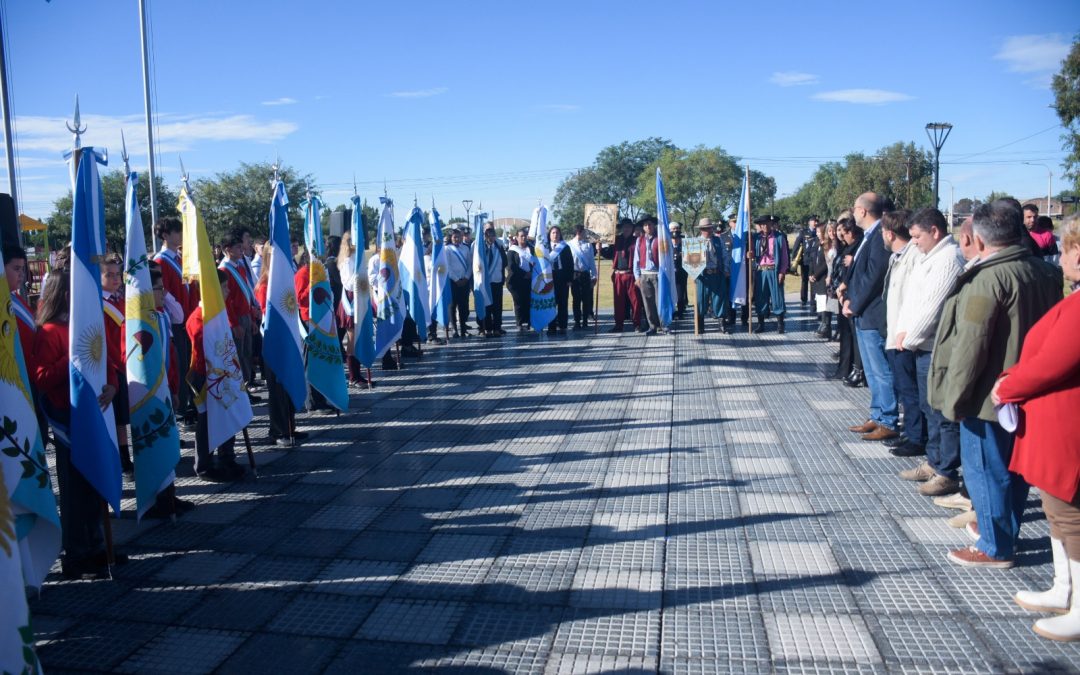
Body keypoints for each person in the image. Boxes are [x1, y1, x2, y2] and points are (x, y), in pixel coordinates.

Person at [930, 200, 1063, 569]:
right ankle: (1003, 531)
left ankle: (994, 545)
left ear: (979, 239)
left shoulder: (987, 278)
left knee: (986, 470)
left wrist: (953, 398)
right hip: (1028, 389)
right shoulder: (1044, 272)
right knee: (1016, 471)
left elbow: (970, 346)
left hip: (988, 394)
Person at [995, 214, 1080, 640]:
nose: (1060, 257)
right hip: (1052, 424)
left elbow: (1055, 363)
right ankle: (1063, 588)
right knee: (1055, 510)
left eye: (1066, 249)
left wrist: (1009, 384)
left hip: (1069, 427)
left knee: (1072, 515)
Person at [33, 268, 120, 579]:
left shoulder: (86, 326)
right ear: (66, 294)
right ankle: (76, 554)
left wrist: (112, 385)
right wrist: (69, 359)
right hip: (69, 420)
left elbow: (106, 361)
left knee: (95, 482)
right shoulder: (49, 332)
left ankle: (99, 545)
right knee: (74, 491)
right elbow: (42, 378)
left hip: (95, 415)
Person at [892, 208, 964, 495]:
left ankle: (946, 470)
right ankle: (934, 462)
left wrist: (909, 337)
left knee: (941, 412)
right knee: (928, 406)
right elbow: (914, 300)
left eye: (917, 236)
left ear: (935, 231)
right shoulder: (928, 257)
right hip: (921, 345)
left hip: (935, 346)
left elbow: (933, 306)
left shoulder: (948, 259)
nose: (914, 242)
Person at [845, 193, 897, 440]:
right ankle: (877, 415)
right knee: (871, 369)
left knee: (880, 371)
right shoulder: (869, 236)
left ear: (863, 211)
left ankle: (888, 419)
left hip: (872, 313)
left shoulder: (878, 236)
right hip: (862, 313)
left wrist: (854, 304)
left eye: (855, 208)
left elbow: (874, 277)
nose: (853, 213)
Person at [187, 269, 247, 481]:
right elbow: (203, 346)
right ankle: (204, 464)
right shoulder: (198, 317)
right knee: (206, 422)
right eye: (224, 287)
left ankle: (227, 457)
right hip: (205, 376)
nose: (228, 290)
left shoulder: (220, 315)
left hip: (224, 373)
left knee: (227, 412)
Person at [880, 210, 924, 457]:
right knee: (903, 387)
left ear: (889, 233)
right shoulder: (898, 256)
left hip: (905, 334)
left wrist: (906, 331)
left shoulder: (914, 256)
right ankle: (911, 432)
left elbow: (913, 297)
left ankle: (916, 437)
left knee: (910, 389)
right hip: (895, 331)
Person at [154, 217, 197, 429]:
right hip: (176, 322)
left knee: (189, 361)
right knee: (178, 364)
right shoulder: (160, 261)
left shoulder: (180, 258)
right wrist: (179, 313)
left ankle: (189, 402)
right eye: (176, 232)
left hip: (188, 319)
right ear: (165, 235)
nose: (180, 236)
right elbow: (166, 292)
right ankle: (181, 410)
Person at [218, 230, 260, 402]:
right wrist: (234, 324)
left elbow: (246, 294)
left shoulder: (239, 267)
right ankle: (240, 392)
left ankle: (246, 389)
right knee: (238, 357)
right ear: (227, 250)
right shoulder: (224, 270)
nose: (241, 249)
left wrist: (251, 315)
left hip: (245, 316)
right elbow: (227, 302)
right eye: (236, 247)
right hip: (236, 319)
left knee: (246, 355)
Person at [834, 218, 864, 384]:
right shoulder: (846, 247)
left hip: (852, 295)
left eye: (843, 233)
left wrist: (844, 288)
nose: (841, 236)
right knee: (847, 335)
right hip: (843, 294)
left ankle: (858, 370)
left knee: (856, 337)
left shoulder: (859, 246)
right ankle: (847, 368)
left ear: (851, 232)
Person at [751, 215, 789, 333]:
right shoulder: (756, 238)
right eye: (762, 224)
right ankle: (761, 324)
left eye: (767, 224)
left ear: (771, 224)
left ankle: (780, 324)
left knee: (777, 297)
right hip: (761, 271)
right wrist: (749, 254)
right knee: (761, 297)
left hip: (774, 270)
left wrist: (782, 271)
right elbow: (752, 254)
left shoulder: (778, 237)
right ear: (760, 226)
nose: (765, 226)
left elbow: (784, 256)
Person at [693, 219, 729, 334]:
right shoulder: (695, 243)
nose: (707, 231)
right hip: (703, 276)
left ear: (712, 228)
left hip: (717, 273)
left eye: (709, 228)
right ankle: (700, 325)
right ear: (700, 230)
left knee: (720, 299)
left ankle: (722, 324)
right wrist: (693, 273)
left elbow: (725, 256)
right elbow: (690, 261)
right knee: (701, 300)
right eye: (704, 229)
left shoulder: (718, 240)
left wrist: (726, 270)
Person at [633, 215, 664, 335]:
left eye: (650, 224)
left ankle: (663, 324)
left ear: (654, 225)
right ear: (643, 228)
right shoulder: (639, 240)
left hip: (657, 274)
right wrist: (637, 277)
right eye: (645, 225)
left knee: (659, 301)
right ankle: (652, 326)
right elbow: (636, 259)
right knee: (648, 302)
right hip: (644, 274)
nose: (648, 227)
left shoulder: (660, 239)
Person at [610, 218, 641, 332]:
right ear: (622, 228)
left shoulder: (637, 240)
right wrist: (599, 249)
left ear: (632, 228)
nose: (626, 229)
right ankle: (618, 324)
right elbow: (608, 253)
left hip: (632, 274)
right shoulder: (616, 240)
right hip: (618, 274)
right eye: (624, 227)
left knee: (636, 300)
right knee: (618, 300)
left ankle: (637, 324)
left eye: (629, 226)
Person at [545, 225, 573, 334]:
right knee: (551, 303)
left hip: (562, 277)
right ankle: (551, 326)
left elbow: (570, 264)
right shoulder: (545, 247)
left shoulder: (565, 247)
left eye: (557, 233)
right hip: (549, 278)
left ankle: (562, 325)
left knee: (563, 302)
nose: (555, 235)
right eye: (553, 233)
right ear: (549, 235)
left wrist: (569, 279)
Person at [568, 225, 597, 329]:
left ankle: (585, 320)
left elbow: (591, 262)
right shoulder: (569, 245)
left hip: (585, 274)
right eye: (584, 232)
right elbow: (568, 263)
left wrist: (594, 275)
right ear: (578, 233)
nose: (585, 234)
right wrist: (569, 278)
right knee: (576, 299)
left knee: (586, 299)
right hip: (575, 275)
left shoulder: (588, 245)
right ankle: (577, 321)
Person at [445, 228, 472, 338]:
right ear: (451, 238)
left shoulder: (465, 249)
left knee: (464, 306)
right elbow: (447, 266)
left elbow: (470, 264)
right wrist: (456, 279)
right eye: (455, 237)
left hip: (464, 281)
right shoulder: (447, 249)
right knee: (452, 306)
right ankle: (454, 329)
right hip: (453, 282)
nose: (457, 239)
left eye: (459, 237)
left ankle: (463, 328)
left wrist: (466, 277)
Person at [481, 226, 507, 336]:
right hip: (486, 282)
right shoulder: (481, 248)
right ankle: (488, 328)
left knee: (497, 306)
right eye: (488, 235)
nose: (491, 238)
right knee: (487, 306)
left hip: (497, 280)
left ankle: (497, 328)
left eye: (493, 235)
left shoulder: (499, 247)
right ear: (485, 236)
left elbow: (504, 262)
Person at [507, 228, 533, 330]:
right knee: (518, 301)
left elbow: (536, 262)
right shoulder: (512, 251)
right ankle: (520, 322)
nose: (523, 238)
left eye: (525, 236)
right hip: (516, 280)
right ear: (517, 237)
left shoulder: (531, 249)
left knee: (528, 301)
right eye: (521, 236)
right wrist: (524, 274)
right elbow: (511, 266)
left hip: (529, 279)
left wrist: (531, 273)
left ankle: (529, 322)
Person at [807, 222, 830, 338]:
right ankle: (822, 322)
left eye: (819, 232)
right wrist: (810, 273)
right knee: (820, 301)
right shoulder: (815, 243)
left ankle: (826, 324)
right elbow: (812, 259)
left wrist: (816, 274)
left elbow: (826, 263)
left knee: (825, 302)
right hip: (816, 278)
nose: (818, 234)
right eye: (816, 232)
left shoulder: (827, 245)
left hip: (823, 277)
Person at [791, 216, 818, 305]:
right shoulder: (803, 232)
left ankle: (814, 300)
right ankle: (804, 299)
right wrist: (794, 259)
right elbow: (796, 245)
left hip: (815, 260)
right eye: (814, 221)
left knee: (814, 280)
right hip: (805, 261)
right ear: (809, 222)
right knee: (805, 280)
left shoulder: (818, 232)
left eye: (817, 221)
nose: (815, 223)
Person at [671, 222, 688, 319]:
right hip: (670, 274)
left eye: (677, 228)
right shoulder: (667, 245)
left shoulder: (684, 245)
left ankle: (681, 312)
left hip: (681, 274)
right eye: (673, 229)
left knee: (680, 296)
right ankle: (672, 312)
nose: (675, 241)